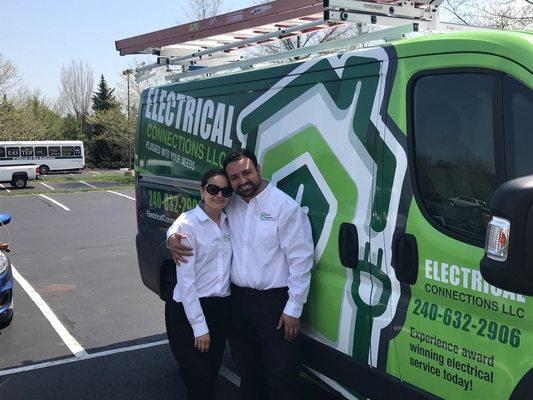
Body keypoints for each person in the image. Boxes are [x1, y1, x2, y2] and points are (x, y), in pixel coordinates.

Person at [168, 149, 314, 400]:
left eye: (246, 172)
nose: (241, 181)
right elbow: (191, 218)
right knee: (248, 370)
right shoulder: (229, 201)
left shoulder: (284, 207)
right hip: (237, 303)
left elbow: (301, 261)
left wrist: (294, 308)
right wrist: (171, 236)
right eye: (234, 177)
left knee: (281, 372)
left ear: (258, 169)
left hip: (274, 303)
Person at [166, 168, 234, 400]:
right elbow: (186, 284)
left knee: (211, 373)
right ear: (202, 191)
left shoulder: (228, 221)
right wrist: (199, 327)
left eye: (225, 190)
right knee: (199, 382)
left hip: (221, 309)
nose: (219, 195)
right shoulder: (187, 225)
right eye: (213, 189)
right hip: (191, 310)